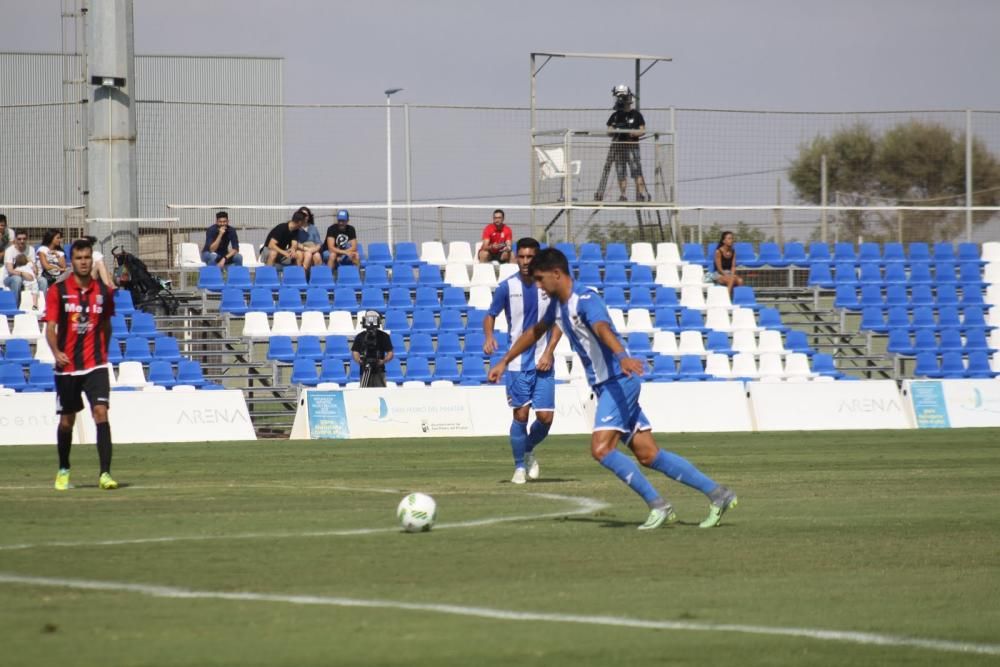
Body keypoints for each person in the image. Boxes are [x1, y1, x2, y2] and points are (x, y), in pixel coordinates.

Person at [488, 247, 737, 530]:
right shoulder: (558, 306)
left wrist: (622, 357)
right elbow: (533, 333)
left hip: (618, 381)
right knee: (648, 454)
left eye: (542, 279)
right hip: (610, 384)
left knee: (601, 449)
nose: (540, 286)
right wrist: (505, 360)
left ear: (557, 274)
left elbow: (603, 328)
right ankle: (719, 494)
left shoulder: (585, 299)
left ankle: (659, 506)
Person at [483, 237, 562, 484]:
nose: (526, 261)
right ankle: (519, 466)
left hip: (543, 361)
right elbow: (490, 314)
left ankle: (527, 449)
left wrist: (549, 351)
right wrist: (488, 336)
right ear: (516, 257)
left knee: (546, 418)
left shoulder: (549, 286)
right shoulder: (507, 287)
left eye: (531, 257)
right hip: (517, 364)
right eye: (522, 257)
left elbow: (559, 322)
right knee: (521, 416)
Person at [45, 238, 119, 491]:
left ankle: (105, 474)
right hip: (67, 367)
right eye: (79, 258)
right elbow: (51, 328)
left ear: (92, 260)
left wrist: (103, 352)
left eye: (87, 257)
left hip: (95, 364)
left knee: (101, 413)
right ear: (72, 261)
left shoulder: (103, 293)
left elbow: (107, 324)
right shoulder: (58, 291)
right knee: (67, 421)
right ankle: (64, 467)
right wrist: (56, 351)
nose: (84, 262)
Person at [595, 84, 650, 202]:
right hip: (618, 146)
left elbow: (642, 130)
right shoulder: (615, 116)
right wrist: (615, 131)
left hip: (632, 146)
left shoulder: (636, 115)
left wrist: (633, 133)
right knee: (621, 172)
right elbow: (609, 130)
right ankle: (623, 195)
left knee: (636, 171)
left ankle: (640, 195)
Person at [351, 310, 394, 388]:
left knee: (380, 393)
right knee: (365, 394)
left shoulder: (384, 336)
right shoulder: (360, 336)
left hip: (379, 369)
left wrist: (383, 361)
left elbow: (390, 352)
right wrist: (359, 361)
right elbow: (355, 351)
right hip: (364, 369)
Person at [3, 230, 46, 295]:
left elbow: (34, 267)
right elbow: (10, 270)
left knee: (43, 281)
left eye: (24, 239)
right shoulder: (9, 251)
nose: (22, 241)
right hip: (11, 278)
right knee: (17, 280)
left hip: (29, 276)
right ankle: (16, 304)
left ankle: (41, 304)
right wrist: (23, 274)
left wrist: (34, 272)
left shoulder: (31, 249)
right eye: (19, 239)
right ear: (15, 239)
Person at [712, 230, 744, 297]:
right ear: (724, 241)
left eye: (732, 238)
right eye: (729, 238)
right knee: (731, 279)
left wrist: (732, 274)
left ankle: (737, 300)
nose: (731, 240)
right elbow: (719, 268)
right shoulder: (718, 251)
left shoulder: (733, 251)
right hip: (719, 274)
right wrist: (728, 275)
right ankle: (727, 300)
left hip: (729, 273)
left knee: (740, 280)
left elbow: (733, 266)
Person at [295, 206, 323, 271]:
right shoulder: (296, 228)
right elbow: (295, 243)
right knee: (300, 254)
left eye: (306, 215)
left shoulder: (313, 228)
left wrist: (312, 250)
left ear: (309, 216)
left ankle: (317, 277)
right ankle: (301, 276)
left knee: (317, 256)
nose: (304, 217)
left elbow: (319, 244)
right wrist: (306, 249)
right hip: (300, 249)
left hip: (312, 249)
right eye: (302, 215)